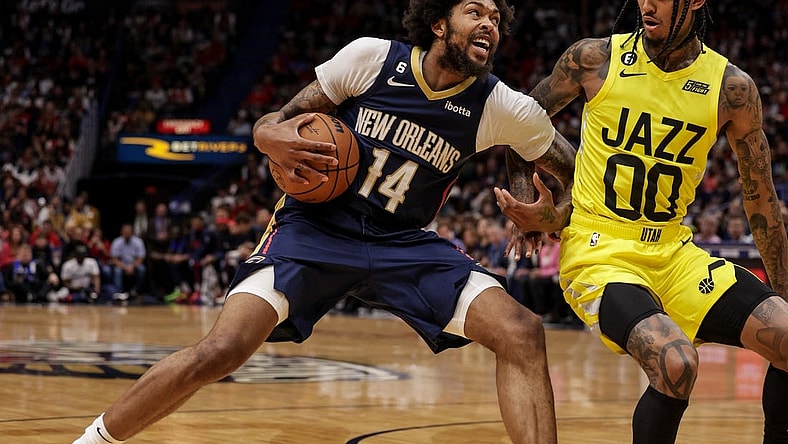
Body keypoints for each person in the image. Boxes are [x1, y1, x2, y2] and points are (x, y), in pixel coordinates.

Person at [71, 1, 577, 442]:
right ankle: (93, 441)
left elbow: (571, 165)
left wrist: (550, 210)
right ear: (440, 23)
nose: (489, 22)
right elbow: (273, 122)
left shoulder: (500, 104)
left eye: (496, 17)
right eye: (475, 11)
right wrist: (268, 137)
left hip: (404, 242)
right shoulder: (371, 59)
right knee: (221, 350)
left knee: (523, 331)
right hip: (313, 228)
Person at [494, 0, 788, 442]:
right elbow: (519, 126)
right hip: (599, 250)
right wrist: (525, 209)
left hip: (674, 253)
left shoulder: (732, 89)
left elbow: (761, 200)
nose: (646, 6)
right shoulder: (594, 59)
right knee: (676, 363)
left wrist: (783, 290)